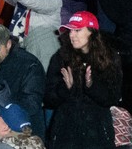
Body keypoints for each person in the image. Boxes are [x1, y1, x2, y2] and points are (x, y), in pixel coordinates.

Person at [44, 11, 123, 148]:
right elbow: (48, 99)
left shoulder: (108, 59)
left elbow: (113, 98)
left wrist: (91, 86)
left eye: (78, 30)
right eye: (70, 30)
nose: (71, 35)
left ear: (92, 32)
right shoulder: (61, 58)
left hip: (97, 135)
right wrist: (66, 89)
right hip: (65, 135)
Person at [0, 24, 46, 140]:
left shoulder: (29, 65)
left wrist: (1, 105)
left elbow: (32, 104)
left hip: (22, 133)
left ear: (8, 44)